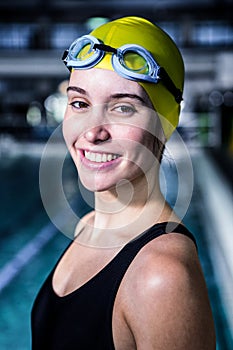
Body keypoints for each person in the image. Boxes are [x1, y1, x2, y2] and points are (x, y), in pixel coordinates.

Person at [31, 16, 216, 349]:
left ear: (165, 122)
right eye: (79, 103)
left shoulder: (161, 276)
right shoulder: (87, 226)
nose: (92, 131)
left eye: (123, 108)